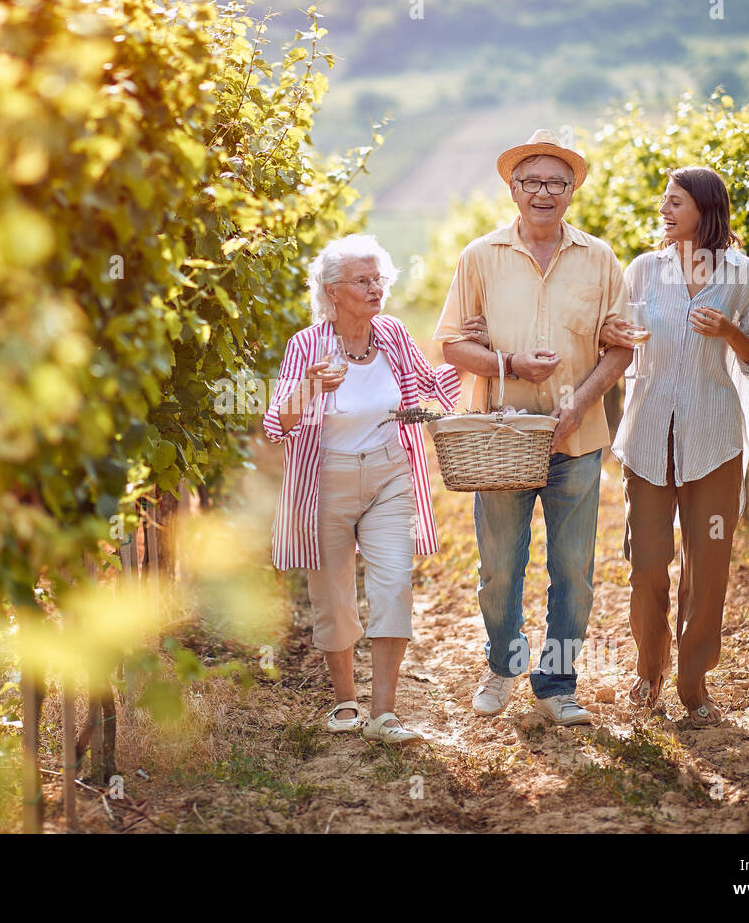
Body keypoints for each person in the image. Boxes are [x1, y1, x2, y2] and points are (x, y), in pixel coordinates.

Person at [435, 129, 632, 726]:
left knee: (574, 571)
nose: (543, 192)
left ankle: (558, 683)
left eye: (555, 182)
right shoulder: (480, 257)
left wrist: (581, 401)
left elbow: (619, 349)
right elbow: (449, 345)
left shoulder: (600, 260)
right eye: (532, 182)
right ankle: (501, 664)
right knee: (499, 569)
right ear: (513, 189)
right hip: (501, 440)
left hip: (576, 439)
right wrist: (509, 364)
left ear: (572, 191)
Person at [263, 234, 461, 744]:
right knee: (333, 597)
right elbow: (275, 425)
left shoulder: (391, 333)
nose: (376, 289)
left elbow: (430, 387)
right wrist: (309, 387)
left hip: (390, 472)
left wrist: (476, 354)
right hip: (325, 481)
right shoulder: (306, 346)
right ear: (333, 291)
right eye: (363, 281)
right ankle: (345, 701)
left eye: (379, 279)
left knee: (394, 584)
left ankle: (384, 713)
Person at [600, 166, 749, 726]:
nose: (664, 210)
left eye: (676, 202)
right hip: (649, 436)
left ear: (704, 208)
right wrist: (616, 336)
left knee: (709, 566)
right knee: (647, 562)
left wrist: (728, 332)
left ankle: (693, 685)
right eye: (664, 202)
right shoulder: (644, 271)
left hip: (715, 438)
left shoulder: (744, 275)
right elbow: (614, 336)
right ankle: (648, 673)